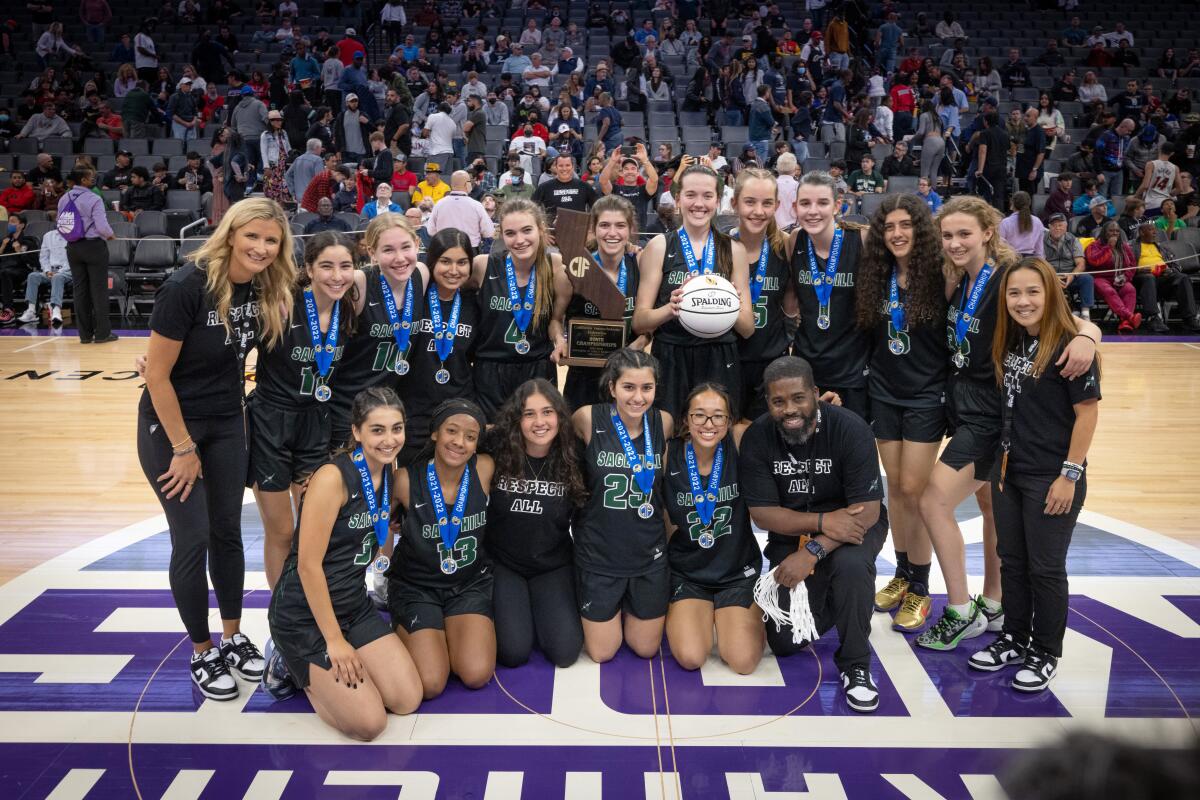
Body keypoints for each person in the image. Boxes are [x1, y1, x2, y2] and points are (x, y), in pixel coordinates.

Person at [917, 197, 1101, 652]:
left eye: (965, 234)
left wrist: (1086, 337)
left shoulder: (1005, 279)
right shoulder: (962, 278)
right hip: (970, 407)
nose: (956, 243)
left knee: (934, 500)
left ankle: (960, 609)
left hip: (989, 414)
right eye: (948, 236)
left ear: (987, 232)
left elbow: (1069, 320)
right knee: (990, 508)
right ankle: (995, 602)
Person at [138, 198, 293, 698]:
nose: (262, 249)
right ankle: (202, 650)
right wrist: (183, 448)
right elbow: (156, 376)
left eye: (272, 241)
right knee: (194, 536)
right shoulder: (186, 287)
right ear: (230, 234)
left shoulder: (264, 287)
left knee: (228, 531)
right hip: (173, 427)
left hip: (228, 420)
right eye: (253, 237)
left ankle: (231, 636)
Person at [966, 258, 1100, 692]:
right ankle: (1014, 638)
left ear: (1051, 295)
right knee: (1013, 563)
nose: (1023, 301)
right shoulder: (1012, 340)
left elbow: (1087, 415)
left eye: (1033, 292)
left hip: (1052, 475)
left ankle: (1045, 651)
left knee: (1045, 569)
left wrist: (1070, 474)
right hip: (1009, 471)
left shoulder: (1070, 345)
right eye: (1014, 293)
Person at [262, 387, 423, 737]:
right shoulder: (331, 479)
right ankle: (289, 662)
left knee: (406, 699)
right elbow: (307, 566)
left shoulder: (390, 470)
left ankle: (332, 675)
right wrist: (334, 641)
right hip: (305, 614)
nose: (389, 439)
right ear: (356, 432)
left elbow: (380, 526)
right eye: (377, 430)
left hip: (352, 603)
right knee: (369, 723)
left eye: (396, 428)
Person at [739, 356, 888, 712]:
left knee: (851, 566)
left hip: (854, 529)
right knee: (785, 640)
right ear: (768, 403)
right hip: (797, 532)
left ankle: (856, 665)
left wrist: (813, 552)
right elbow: (762, 514)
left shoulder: (850, 428)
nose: (789, 409)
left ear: (816, 395)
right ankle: (843, 602)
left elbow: (867, 510)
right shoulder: (758, 437)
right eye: (778, 401)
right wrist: (822, 523)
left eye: (798, 398)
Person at [856, 195, 948, 633]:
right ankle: (902, 573)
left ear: (921, 229)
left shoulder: (941, 275)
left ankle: (921, 587)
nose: (897, 233)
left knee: (914, 488)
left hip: (927, 395)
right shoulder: (877, 275)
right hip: (884, 392)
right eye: (889, 226)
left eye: (906, 224)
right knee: (896, 489)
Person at [250, 232, 356, 588]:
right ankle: (282, 626)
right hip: (271, 424)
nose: (337, 275)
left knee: (314, 529)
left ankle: (309, 609)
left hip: (317, 422)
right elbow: (227, 343)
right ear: (308, 268)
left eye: (345, 266)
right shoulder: (282, 302)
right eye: (326, 266)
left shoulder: (350, 306)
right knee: (281, 531)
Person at [387, 399, 496, 700]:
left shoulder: (485, 469)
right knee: (431, 682)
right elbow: (375, 520)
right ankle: (411, 628)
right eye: (451, 431)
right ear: (435, 432)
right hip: (417, 586)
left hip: (468, 584)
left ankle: (445, 631)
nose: (459, 442)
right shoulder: (406, 480)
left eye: (470, 437)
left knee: (476, 673)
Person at [571, 349, 674, 661]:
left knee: (645, 648)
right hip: (599, 555)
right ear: (612, 387)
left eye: (647, 388)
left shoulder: (664, 422)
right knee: (602, 652)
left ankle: (633, 601)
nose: (638, 398)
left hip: (648, 555)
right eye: (629, 387)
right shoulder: (587, 418)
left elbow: (662, 489)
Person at [634, 163, 755, 421]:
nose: (698, 203)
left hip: (720, 355)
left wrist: (728, 304)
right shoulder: (659, 246)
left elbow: (747, 328)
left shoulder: (734, 250)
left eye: (707, 196)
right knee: (669, 434)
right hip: (671, 354)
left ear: (718, 200)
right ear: (677, 198)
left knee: (718, 433)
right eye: (690, 195)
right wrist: (671, 308)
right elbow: (639, 321)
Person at [662, 382, 764, 673]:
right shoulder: (670, 454)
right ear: (686, 419)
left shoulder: (740, 441)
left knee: (743, 662)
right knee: (691, 657)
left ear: (730, 420)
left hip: (736, 571)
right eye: (699, 415)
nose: (709, 424)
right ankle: (701, 612)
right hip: (688, 572)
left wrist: (822, 411)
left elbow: (783, 425)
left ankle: (729, 616)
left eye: (718, 416)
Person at [485, 380, 586, 667]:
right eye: (529, 414)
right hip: (505, 564)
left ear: (560, 417)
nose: (539, 422)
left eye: (547, 412)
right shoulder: (496, 448)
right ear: (516, 419)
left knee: (565, 653)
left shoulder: (574, 455)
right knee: (513, 652)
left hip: (552, 564)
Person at [329, 214, 428, 453]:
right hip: (348, 406)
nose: (400, 258)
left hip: (387, 407)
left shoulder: (421, 275)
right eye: (388, 250)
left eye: (406, 247)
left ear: (417, 244)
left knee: (378, 485)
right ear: (372, 253)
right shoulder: (359, 284)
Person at [469, 198, 572, 420]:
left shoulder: (555, 266)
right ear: (501, 235)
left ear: (541, 229)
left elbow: (556, 320)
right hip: (490, 371)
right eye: (510, 233)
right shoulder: (483, 265)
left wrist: (561, 340)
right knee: (493, 443)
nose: (520, 240)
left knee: (536, 442)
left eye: (527, 230)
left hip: (538, 369)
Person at [785, 171, 871, 419]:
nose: (813, 211)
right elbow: (791, 296)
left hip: (852, 370)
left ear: (837, 206)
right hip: (807, 367)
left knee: (849, 448)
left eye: (822, 203)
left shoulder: (861, 239)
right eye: (805, 203)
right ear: (795, 207)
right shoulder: (794, 240)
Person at [397, 228, 478, 466]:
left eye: (462, 262)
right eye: (445, 261)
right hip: (412, 411)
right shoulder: (414, 297)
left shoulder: (475, 303)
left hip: (456, 411)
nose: (454, 270)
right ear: (431, 262)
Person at [562, 195, 647, 409]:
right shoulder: (575, 268)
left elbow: (649, 323)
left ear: (630, 230)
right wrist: (559, 340)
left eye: (620, 225)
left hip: (627, 374)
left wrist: (642, 341)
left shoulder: (640, 265)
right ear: (593, 229)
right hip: (583, 376)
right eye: (604, 225)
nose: (612, 233)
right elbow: (555, 319)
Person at [730, 168, 793, 421]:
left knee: (761, 440)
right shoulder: (720, 248)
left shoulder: (786, 247)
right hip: (729, 359)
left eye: (767, 203)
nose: (758, 211)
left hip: (771, 361)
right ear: (734, 203)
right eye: (749, 202)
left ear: (777, 205)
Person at [57, 168, 116, 344]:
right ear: (83, 180)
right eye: (91, 177)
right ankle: (102, 334)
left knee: (80, 290)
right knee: (99, 290)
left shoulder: (64, 198)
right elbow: (102, 226)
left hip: (73, 247)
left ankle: (84, 335)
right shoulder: (94, 198)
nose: (94, 178)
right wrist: (111, 235)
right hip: (94, 247)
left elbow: (61, 224)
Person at [1043, 213, 1094, 321]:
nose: (1057, 228)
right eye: (1054, 225)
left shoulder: (1073, 240)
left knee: (1087, 278)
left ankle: (1085, 314)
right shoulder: (1041, 240)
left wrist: (1072, 275)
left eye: (1060, 225)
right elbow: (1040, 264)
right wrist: (1052, 277)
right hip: (1050, 276)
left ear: (1066, 226)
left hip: (1070, 275)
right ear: (1049, 227)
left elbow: (1081, 263)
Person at [18, 226, 71, 328]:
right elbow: (43, 257)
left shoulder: (73, 236)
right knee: (33, 276)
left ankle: (56, 310)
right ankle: (31, 310)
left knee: (58, 277)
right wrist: (47, 271)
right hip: (50, 271)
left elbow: (73, 257)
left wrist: (59, 271)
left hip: (67, 271)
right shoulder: (48, 236)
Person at [425, 171, 494, 247]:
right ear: (467, 184)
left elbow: (431, 231)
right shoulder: (476, 205)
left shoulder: (439, 204)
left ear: (451, 185)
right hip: (469, 250)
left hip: (444, 248)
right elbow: (488, 232)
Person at [598, 144, 659, 229]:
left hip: (639, 236)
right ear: (621, 173)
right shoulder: (615, 189)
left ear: (638, 173)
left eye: (633, 168)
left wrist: (645, 160)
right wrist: (612, 161)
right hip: (618, 233)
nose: (630, 171)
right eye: (626, 169)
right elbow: (603, 181)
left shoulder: (643, 190)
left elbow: (654, 180)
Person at [531, 154, 599, 223]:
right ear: (556, 168)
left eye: (567, 165)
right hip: (552, 232)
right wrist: (541, 222)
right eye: (561, 166)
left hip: (579, 230)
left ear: (573, 167)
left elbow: (598, 208)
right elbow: (531, 208)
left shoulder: (584, 186)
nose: (564, 169)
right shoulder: (544, 187)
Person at [999, 192, 1046, 258]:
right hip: (1029, 261)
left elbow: (1000, 246)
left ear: (1012, 203)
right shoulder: (1037, 221)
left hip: (1011, 260)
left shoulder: (1006, 222)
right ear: (1029, 203)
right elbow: (1039, 250)